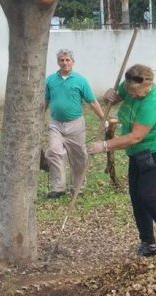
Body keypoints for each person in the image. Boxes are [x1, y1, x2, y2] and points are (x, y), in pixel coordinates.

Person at [87, 64, 156, 257]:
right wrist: (110, 95)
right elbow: (116, 97)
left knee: (146, 193)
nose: (133, 96)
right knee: (137, 199)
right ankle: (148, 243)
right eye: (130, 92)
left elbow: (135, 136)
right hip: (137, 153)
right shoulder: (129, 83)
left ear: (149, 85)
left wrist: (104, 146)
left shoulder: (153, 103)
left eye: (138, 93)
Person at [45, 49, 105, 199]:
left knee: (79, 157)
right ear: (58, 62)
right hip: (56, 124)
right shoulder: (50, 80)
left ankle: (78, 188)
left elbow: (92, 101)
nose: (64, 63)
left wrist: (103, 119)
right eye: (62, 60)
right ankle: (58, 188)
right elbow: (45, 101)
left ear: (72, 62)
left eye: (67, 60)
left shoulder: (81, 80)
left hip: (76, 124)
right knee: (54, 152)